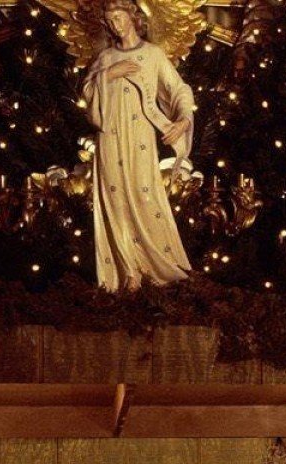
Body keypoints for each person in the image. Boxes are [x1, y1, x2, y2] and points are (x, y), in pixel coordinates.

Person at [83, 0, 195, 291]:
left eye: (120, 17)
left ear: (133, 17)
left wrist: (183, 120)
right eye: (111, 20)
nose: (116, 25)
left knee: (146, 196)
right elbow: (88, 93)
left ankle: (159, 269)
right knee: (116, 200)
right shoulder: (106, 57)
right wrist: (110, 74)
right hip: (110, 138)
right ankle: (128, 272)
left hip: (141, 139)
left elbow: (178, 89)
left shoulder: (153, 54)